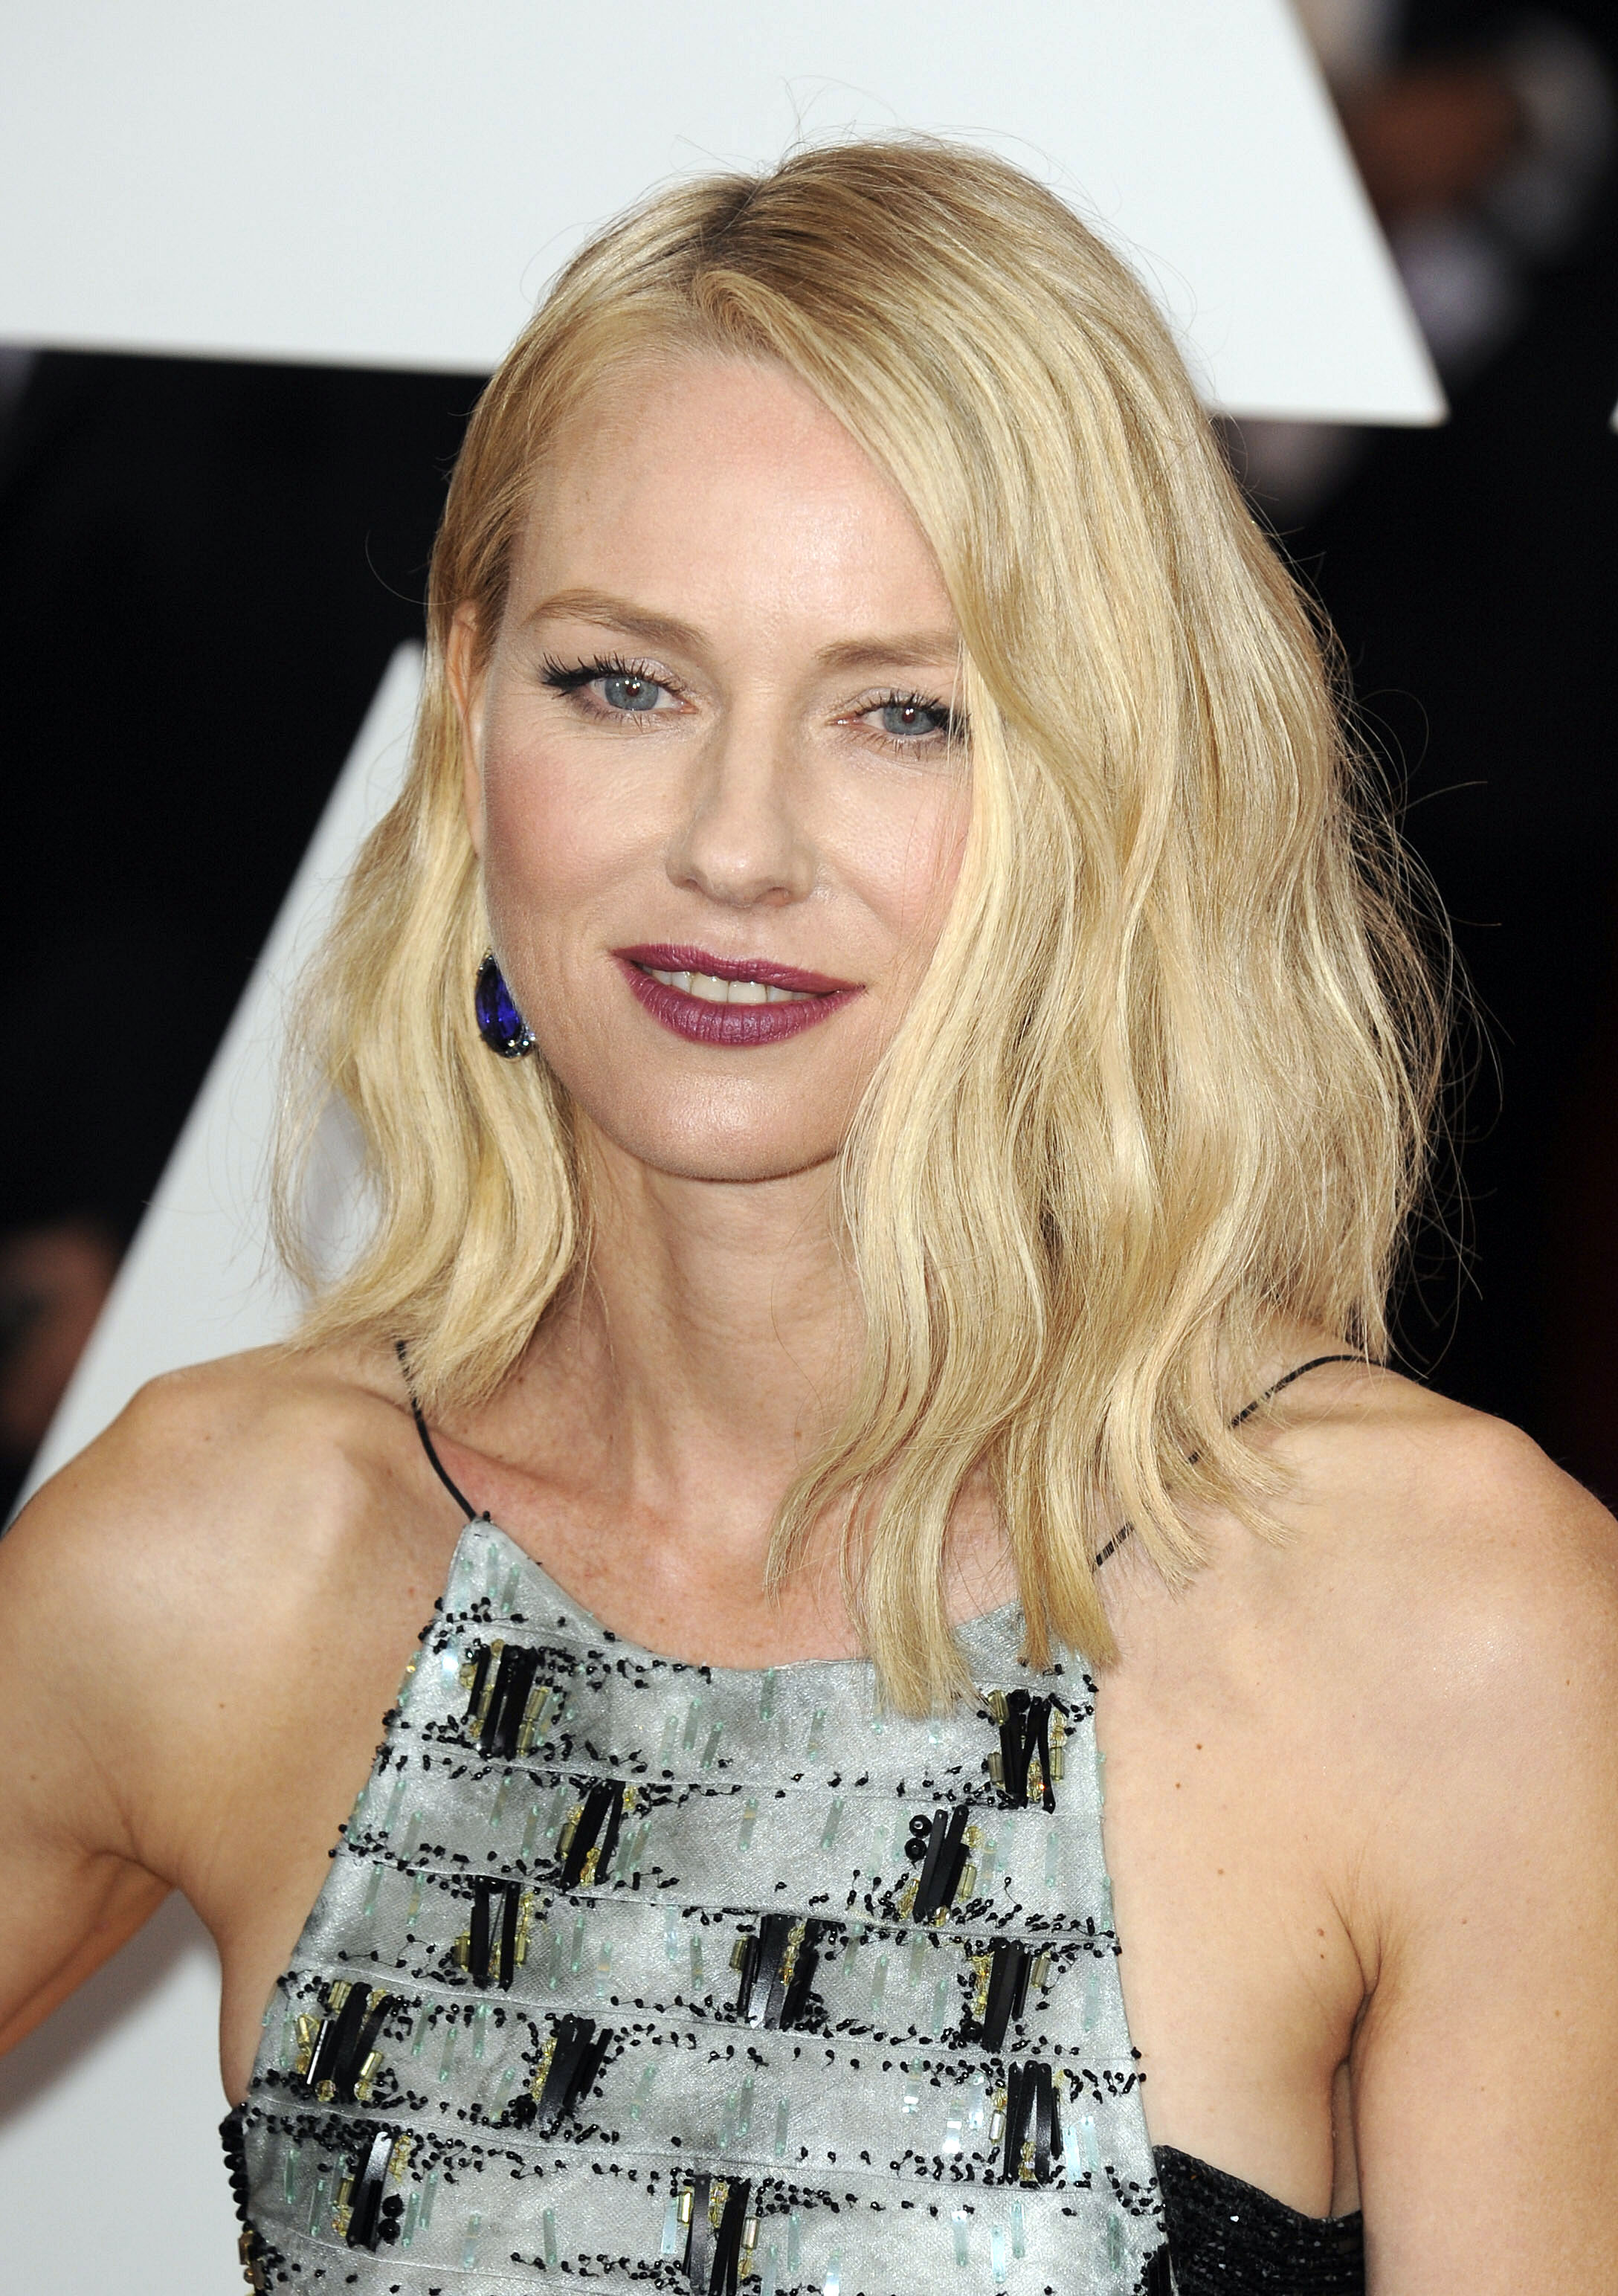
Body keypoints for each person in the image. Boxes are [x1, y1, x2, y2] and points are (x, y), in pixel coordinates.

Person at [1, 139, 1613, 2294]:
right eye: (627, 683)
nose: (737, 845)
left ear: (1118, 782)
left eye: (904, 714)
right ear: (470, 703)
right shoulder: (226, 1547)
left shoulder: (1453, 1615)